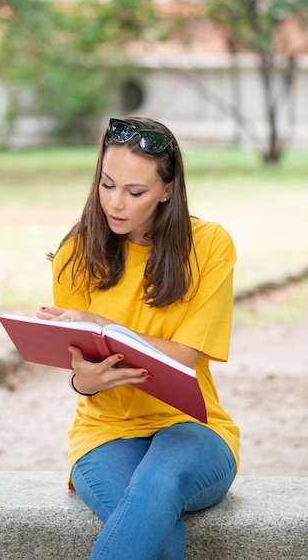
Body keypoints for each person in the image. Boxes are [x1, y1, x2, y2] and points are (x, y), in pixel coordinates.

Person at [37, 116, 239, 560]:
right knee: (157, 532)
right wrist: (84, 380)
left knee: (158, 482)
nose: (115, 203)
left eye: (135, 192)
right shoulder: (77, 252)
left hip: (192, 428)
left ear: (167, 190)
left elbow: (183, 356)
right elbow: (80, 372)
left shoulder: (209, 246)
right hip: (103, 435)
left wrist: (106, 327)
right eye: (107, 184)